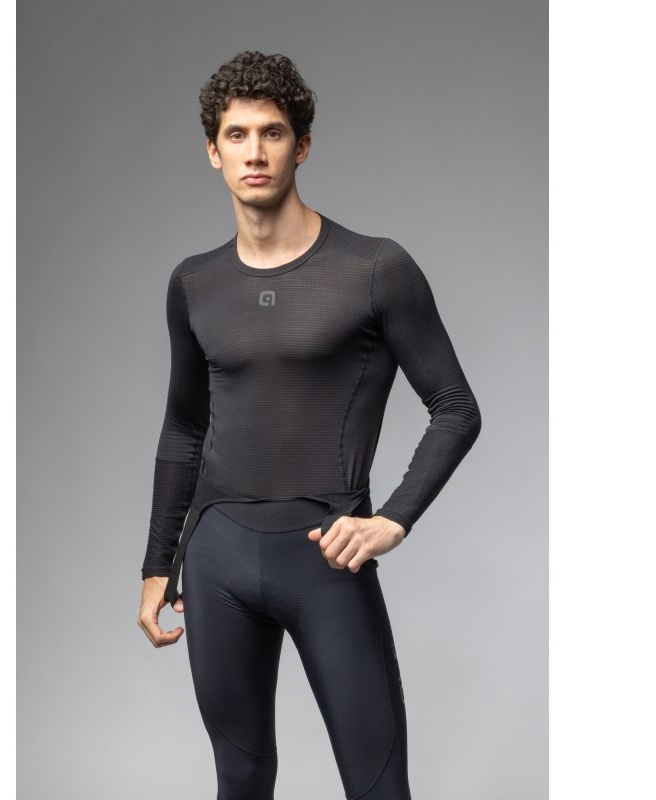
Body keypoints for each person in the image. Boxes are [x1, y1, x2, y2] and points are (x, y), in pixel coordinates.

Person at [137, 50, 481, 800]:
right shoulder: (195, 282)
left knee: (379, 788)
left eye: (272, 132)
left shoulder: (374, 269)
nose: (254, 152)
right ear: (213, 151)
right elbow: (183, 428)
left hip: (326, 562)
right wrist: (157, 565)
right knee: (241, 779)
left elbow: (456, 407)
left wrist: (393, 520)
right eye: (236, 135)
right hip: (216, 560)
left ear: (302, 145)